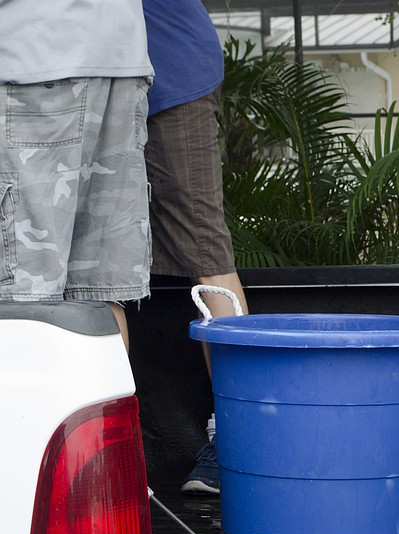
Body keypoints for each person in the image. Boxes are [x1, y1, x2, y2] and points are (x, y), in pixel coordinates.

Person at [0, 1, 153, 350]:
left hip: (34, 56)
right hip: (120, 58)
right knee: (101, 292)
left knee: (22, 297)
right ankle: (106, 406)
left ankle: (29, 408)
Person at [142, 0, 249, 494]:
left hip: (169, 77)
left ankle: (240, 438)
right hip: (95, 82)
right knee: (97, 271)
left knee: (206, 256)